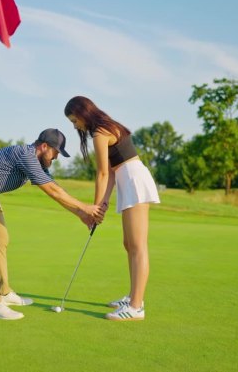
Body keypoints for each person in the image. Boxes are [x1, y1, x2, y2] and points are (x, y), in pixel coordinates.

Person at [0, 128, 102, 320]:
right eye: (56, 152)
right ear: (44, 147)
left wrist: (80, 213)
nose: (56, 158)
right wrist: (85, 208)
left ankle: (4, 292)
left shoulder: (36, 162)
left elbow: (55, 188)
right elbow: (52, 191)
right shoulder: (25, 155)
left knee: (2, 240)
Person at [64, 96, 160, 321]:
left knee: (137, 246)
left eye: (74, 120)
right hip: (127, 180)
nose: (75, 125)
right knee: (129, 244)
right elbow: (110, 174)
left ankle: (136, 306)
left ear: (82, 113)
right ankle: (133, 297)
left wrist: (93, 209)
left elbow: (102, 174)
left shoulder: (100, 132)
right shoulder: (105, 128)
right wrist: (102, 204)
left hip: (134, 181)